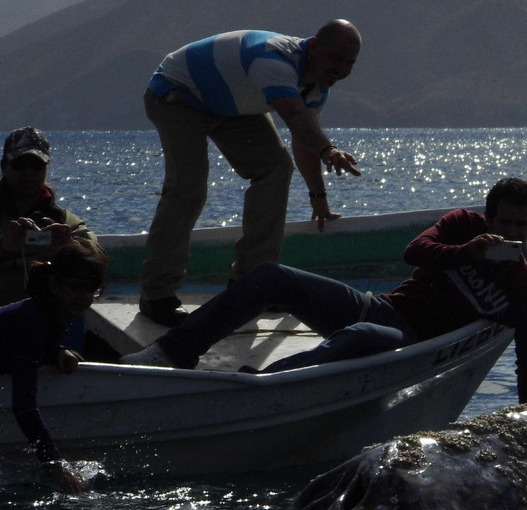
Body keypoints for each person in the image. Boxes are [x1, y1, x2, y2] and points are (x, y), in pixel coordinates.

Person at [122, 178, 527, 404]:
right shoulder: (462, 227)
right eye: (503, 222)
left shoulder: (523, 288)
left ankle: (255, 388)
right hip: (380, 308)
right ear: (487, 218)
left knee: (360, 338)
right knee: (272, 276)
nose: (511, 232)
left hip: (410, 342)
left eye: (520, 225)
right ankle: (170, 353)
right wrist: (467, 252)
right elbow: (414, 252)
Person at [138, 20, 364, 327]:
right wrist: (329, 150)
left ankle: (253, 284)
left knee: (274, 168)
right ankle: (157, 294)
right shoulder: (273, 60)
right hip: (179, 94)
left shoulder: (316, 88)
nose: (342, 69)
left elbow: (304, 139)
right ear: (314, 47)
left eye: (349, 63)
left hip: (228, 107)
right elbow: (295, 118)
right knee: (188, 186)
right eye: (336, 59)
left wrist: (318, 197)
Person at [0, 243, 106, 494]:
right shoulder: (31, 322)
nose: (84, 297)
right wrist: (55, 465)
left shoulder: (43, 315)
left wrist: (56, 351)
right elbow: (24, 406)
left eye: (91, 290)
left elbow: (15, 345)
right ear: (54, 285)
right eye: (75, 287)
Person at [0, 127, 103, 324]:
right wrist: (2, 243)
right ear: (4, 166)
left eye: (37, 165)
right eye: (20, 165)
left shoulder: (61, 219)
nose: (29, 173)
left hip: (40, 321)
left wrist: (71, 247)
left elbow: (95, 252)